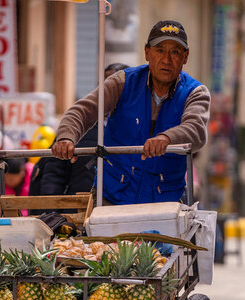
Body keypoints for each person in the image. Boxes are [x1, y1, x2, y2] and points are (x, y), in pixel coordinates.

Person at [51, 21, 210, 204]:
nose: (167, 59)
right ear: (147, 52)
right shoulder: (123, 81)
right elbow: (81, 111)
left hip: (164, 203)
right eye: (159, 50)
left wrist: (166, 138)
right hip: (112, 197)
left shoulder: (196, 92)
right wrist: (66, 137)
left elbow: (196, 130)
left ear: (185, 56)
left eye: (175, 52)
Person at [33, 63, 128, 197]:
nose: (110, 90)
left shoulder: (139, 126)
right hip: (77, 209)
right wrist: (52, 212)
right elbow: (54, 172)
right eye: (105, 84)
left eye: (116, 86)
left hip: (121, 206)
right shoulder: (77, 127)